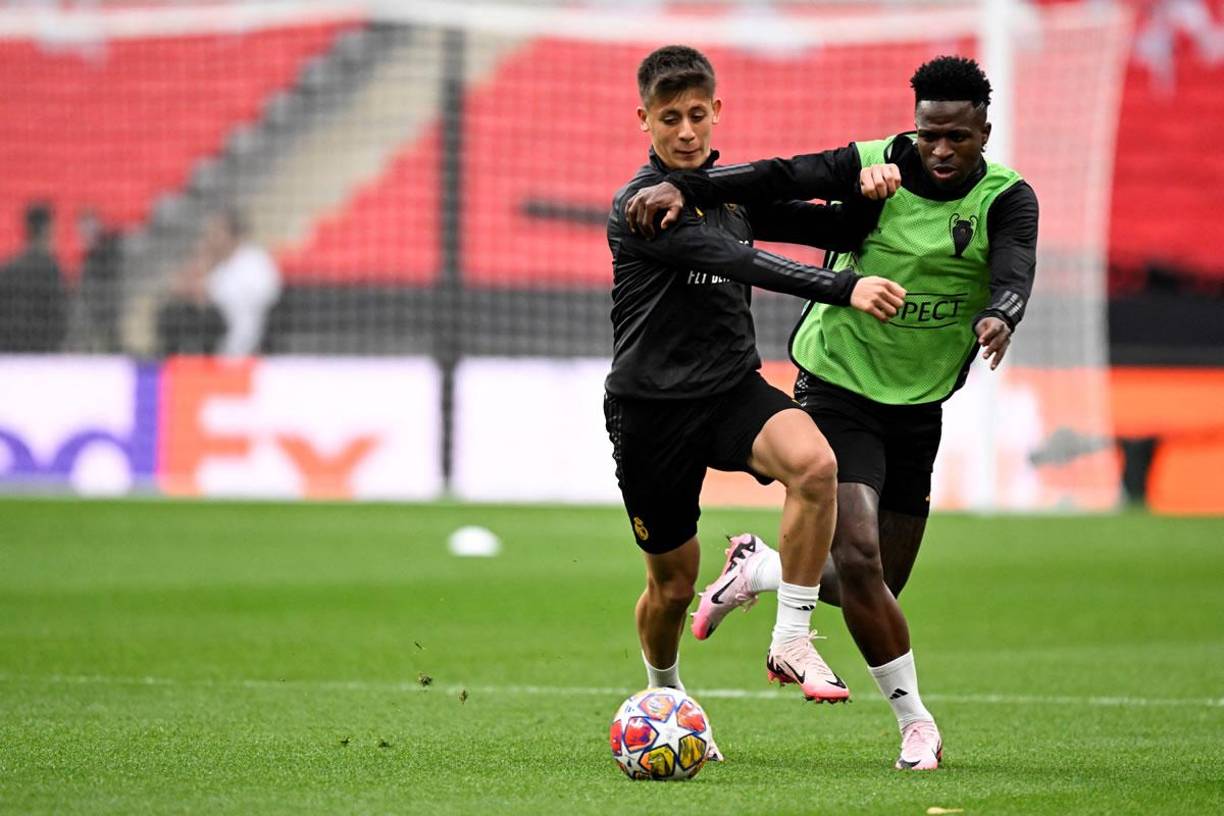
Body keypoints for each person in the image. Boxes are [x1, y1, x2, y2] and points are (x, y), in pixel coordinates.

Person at [626, 54, 1039, 771]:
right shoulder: (643, 205)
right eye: (928, 135)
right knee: (844, 555)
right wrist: (842, 279)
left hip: (914, 402)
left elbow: (1012, 266)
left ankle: (758, 573)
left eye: (957, 138)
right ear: (915, 125)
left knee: (871, 584)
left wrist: (1001, 312)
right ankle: (916, 724)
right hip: (827, 382)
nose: (939, 150)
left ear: (983, 132)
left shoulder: (1007, 198)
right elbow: (780, 185)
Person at [605, 44, 908, 757]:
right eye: (670, 117)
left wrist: (869, 193)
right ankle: (667, 694)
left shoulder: (731, 190)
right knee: (672, 588)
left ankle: (791, 639)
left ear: (717, 112)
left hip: (732, 389)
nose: (686, 131)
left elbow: (828, 225)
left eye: (698, 114)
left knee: (815, 466)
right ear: (643, 119)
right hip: (652, 411)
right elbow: (735, 260)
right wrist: (844, 287)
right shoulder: (640, 207)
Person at [158, 209, 281, 357]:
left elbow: (267, 293)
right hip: (212, 334)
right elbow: (182, 288)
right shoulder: (214, 262)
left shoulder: (255, 260)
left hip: (244, 334)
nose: (212, 237)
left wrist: (209, 291)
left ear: (233, 234)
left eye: (217, 232)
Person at [0, 202, 68, 353]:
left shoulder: (8, 268)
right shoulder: (51, 270)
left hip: (9, 353)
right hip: (41, 354)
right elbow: (59, 317)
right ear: (48, 228)